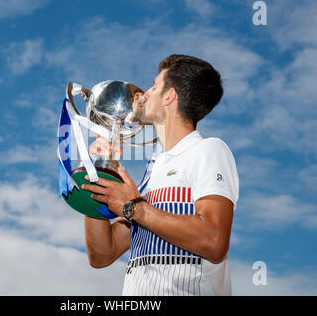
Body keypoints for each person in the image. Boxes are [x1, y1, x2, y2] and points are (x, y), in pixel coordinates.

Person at [81, 54, 239, 296]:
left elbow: (214, 240)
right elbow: (102, 254)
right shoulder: (148, 178)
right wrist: (96, 173)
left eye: (154, 86)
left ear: (170, 95)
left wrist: (134, 207)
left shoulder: (208, 150)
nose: (143, 95)